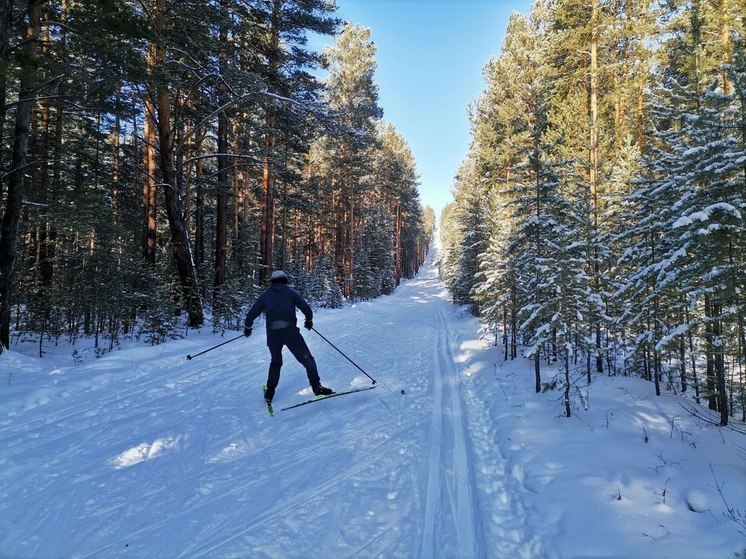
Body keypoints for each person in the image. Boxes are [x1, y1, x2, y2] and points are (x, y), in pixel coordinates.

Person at [244, 270, 333, 404]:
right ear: (285, 280)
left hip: (273, 335)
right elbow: (306, 309)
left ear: (273, 281)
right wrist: (308, 320)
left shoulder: (265, 296)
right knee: (307, 359)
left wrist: (248, 327)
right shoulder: (291, 293)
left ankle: (270, 391)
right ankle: (316, 386)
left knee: (276, 362)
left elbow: (251, 314)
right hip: (291, 333)